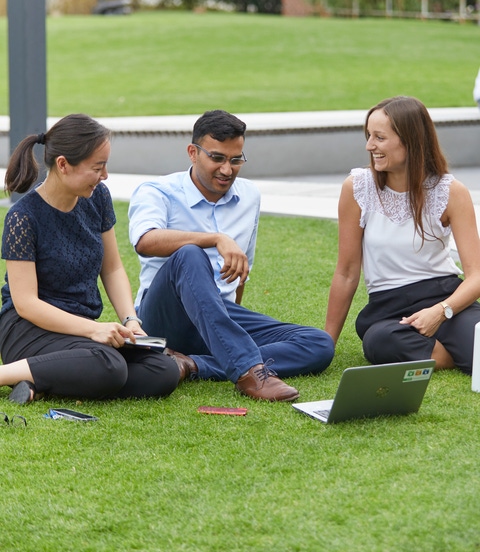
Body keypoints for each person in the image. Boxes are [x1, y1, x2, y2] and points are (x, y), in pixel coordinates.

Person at [128, 109, 334, 401]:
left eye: (236, 160)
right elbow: (144, 240)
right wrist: (215, 239)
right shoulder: (157, 191)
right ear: (192, 152)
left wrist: (224, 329)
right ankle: (248, 372)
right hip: (164, 317)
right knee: (189, 254)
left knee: (318, 344)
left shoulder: (249, 196)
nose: (227, 169)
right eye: (217, 158)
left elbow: (240, 270)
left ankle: (191, 363)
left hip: (218, 314)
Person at [0, 114, 179, 405]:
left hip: (78, 333)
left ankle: (41, 381)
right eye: (98, 167)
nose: (105, 175)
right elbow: (26, 304)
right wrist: (95, 329)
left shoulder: (97, 198)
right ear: (63, 165)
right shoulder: (23, 218)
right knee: (108, 365)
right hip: (29, 330)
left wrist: (130, 320)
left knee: (163, 370)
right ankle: (7, 374)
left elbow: (112, 268)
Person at [325, 95, 480, 374]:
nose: (369, 145)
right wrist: (326, 344)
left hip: (445, 298)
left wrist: (440, 311)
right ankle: (454, 355)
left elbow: (477, 274)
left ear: (410, 140)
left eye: (379, 138)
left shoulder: (451, 192)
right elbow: (347, 271)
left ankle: (445, 348)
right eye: (369, 135)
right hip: (388, 310)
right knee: (379, 342)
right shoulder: (358, 187)